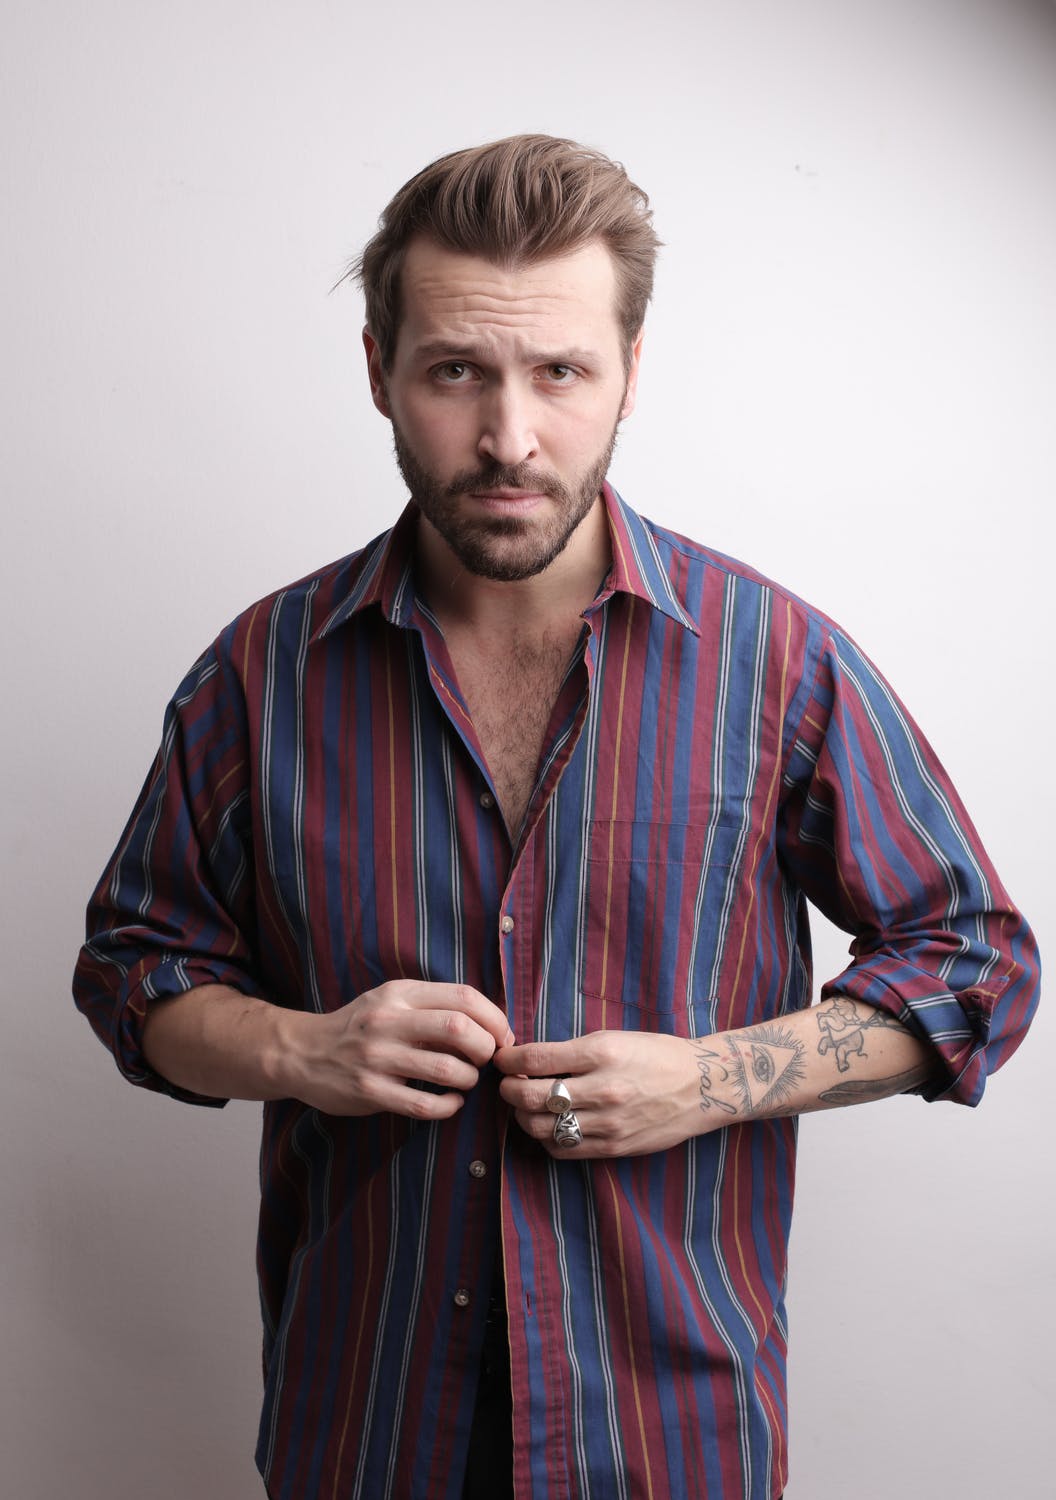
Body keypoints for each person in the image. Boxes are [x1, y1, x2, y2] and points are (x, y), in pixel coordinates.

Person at [73, 134, 1039, 1500]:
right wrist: (304, 1048)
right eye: (455, 371)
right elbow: (133, 971)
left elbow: (976, 963)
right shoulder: (260, 675)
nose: (509, 438)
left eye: (562, 373)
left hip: (667, 1441)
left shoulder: (775, 662)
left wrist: (709, 1080)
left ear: (631, 372)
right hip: (363, 1433)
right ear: (378, 371)